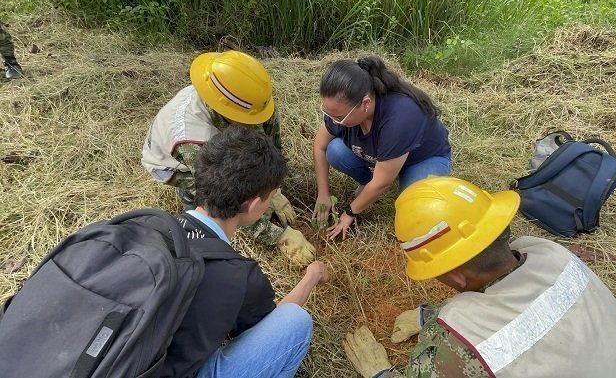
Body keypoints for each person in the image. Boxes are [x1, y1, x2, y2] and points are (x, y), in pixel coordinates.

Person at [343, 177, 616, 378]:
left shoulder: (459, 343)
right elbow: (527, 309)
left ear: (456, 277)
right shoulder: (551, 254)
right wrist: (427, 315)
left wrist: (379, 372)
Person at [163, 126, 330, 377]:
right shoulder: (239, 277)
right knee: (296, 323)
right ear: (253, 205)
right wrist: (312, 276)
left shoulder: (149, 226)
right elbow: (274, 323)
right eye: (271, 196)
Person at [142, 50, 315, 265]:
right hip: (172, 165)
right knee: (211, 203)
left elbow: (271, 136)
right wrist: (280, 236)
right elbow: (226, 200)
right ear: (226, 111)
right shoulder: (195, 142)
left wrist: (273, 189)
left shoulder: (244, 96)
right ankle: (193, 208)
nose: (255, 124)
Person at [312, 56, 451, 240]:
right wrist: (323, 194)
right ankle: (365, 182)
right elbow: (320, 147)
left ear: (365, 104)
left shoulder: (400, 118)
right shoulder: (343, 111)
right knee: (335, 150)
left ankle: (404, 180)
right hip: (383, 157)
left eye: (339, 117)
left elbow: (381, 183)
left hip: (422, 158)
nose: (333, 121)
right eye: (327, 113)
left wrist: (350, 213)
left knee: (416, 211)